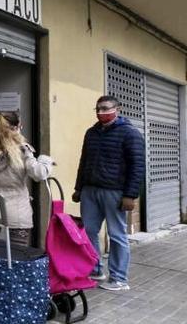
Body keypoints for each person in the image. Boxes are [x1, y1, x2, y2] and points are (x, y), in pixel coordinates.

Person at [72, 96, 145, 292]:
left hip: (115, 192)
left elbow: (137, 166)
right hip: (90, 191)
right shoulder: (91, 133)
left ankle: (119, 278)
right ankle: (96, 270)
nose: (101, 112)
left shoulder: (130, 133)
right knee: (88, 231)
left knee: (116, 234)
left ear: (117, 109)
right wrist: (79, 188)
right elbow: (84, 161)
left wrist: (130, 195)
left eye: (105, 108)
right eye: (97, 109)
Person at [0, 112, 52, 246]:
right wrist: (45, 160)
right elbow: (39, 174)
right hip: (17, 213)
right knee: (16, 256)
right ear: (16, 128)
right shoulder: (23, 150)